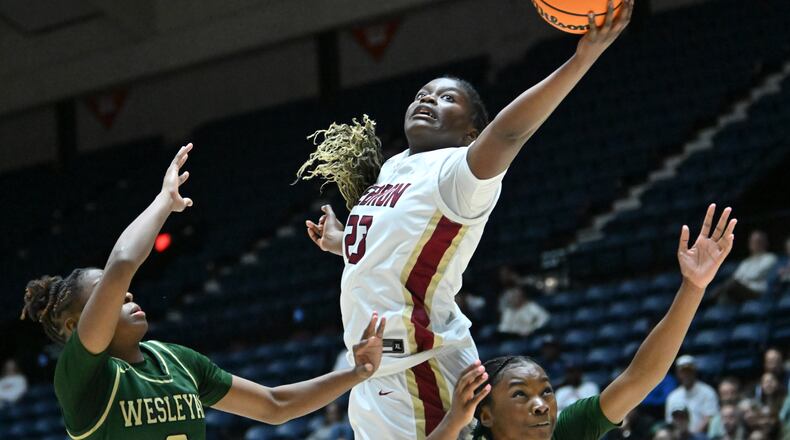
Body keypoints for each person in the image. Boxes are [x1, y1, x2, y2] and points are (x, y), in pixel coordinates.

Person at [297, 1, 634, 438]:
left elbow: (510, 132)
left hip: (422, 366)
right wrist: (341, 241)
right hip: (374, 369)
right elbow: (398, 250)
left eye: (447, 97)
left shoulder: (459, 173)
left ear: (471, 132)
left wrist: (580, 59)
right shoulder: (394, 168)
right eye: (423, 94)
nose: (428, 99)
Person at [19, 145, 386, 440]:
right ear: (72, 327)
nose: (125, 295)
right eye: (106, 294)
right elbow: (121, 265)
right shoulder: (81, 377)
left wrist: (357, 372)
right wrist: (164, 201)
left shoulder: (177, 361)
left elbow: (275, 405)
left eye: (121, 291)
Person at [425, 204, 737, 440]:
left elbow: (640, 377)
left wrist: (693, 287)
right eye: (520, 394)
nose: (541, 405)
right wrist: (453, 422)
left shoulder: (565, 431)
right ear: (487, 415)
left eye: (546, 392)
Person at [712, 231, 777, 303]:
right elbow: (736, 277)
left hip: (757, 290)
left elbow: (754, 275)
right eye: (753, 242)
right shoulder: (746, 262)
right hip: (741, 289)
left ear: (765, 243)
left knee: (731, 285)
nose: (755, 244)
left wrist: (739, 281)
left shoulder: (770, 257)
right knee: (723, 296)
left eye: (758, 241)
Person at [666, 355, 720, 434]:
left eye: (689, 371)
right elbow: (670, 422)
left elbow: (710, 417)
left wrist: (693, 436)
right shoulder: (672, 397)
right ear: (678, 373)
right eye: (683, 371)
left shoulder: (708, 392)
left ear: (694, 371)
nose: (686, 374)